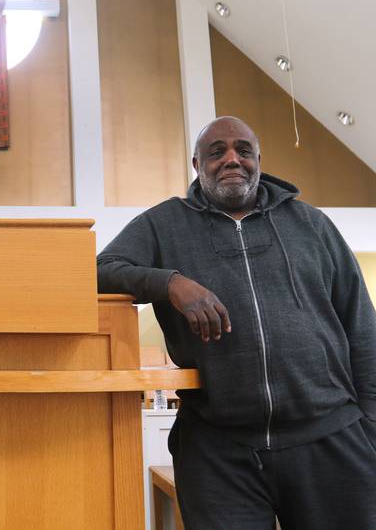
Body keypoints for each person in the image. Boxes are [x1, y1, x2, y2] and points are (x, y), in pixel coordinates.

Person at [97, 116, 376, 530]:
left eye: (243, 150)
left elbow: (361, 326)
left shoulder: (311, 224)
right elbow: (100, 269)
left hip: (331, 439)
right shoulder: (164, 224)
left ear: (259, 161)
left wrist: (370, 426)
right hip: (218, 450)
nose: (232, 159)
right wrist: (170, 283)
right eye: (217, 152)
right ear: (197, 165)